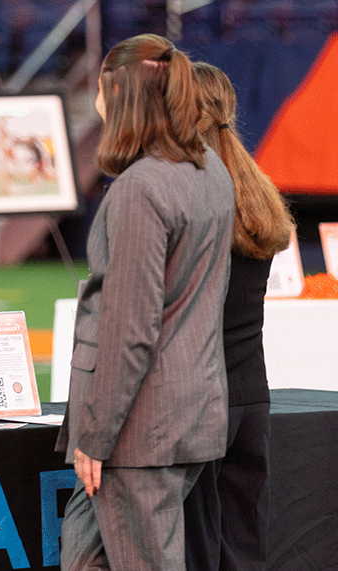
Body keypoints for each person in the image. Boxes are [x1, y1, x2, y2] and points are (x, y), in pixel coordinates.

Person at [54, 34, 236, 571]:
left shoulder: (140, 187)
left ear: (121, 94)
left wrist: (96, 434)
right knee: (84, 553)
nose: (96, 103)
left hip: (138, 431)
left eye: (101, 89)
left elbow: (131, 329)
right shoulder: (211, 171)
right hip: (187, 415)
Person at [184, 61, 295, 571]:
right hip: (251, 395)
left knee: (200, 550)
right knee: (244, 548)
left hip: (203, 400)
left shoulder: (193, 195)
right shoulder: (256, 190)